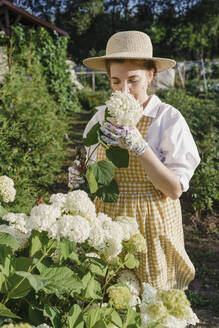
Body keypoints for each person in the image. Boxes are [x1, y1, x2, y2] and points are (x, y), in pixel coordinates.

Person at [82, 31, 200, 290]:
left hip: (151, 224)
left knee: (152, 299)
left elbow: (173, 189)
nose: (124, 90)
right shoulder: (100, 118)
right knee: (106, 294)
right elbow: (92, 166)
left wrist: (140, 147)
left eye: (133, 80)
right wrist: (81, 172)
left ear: (150, 75)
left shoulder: (167, 120)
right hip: (108, 222)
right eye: (115, 81)